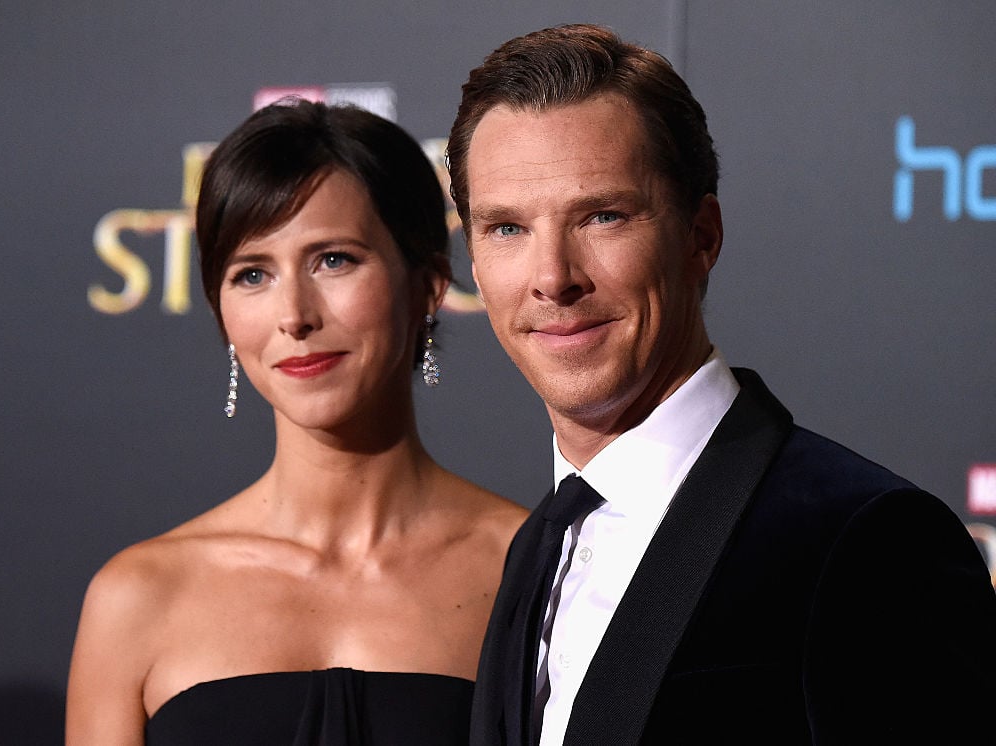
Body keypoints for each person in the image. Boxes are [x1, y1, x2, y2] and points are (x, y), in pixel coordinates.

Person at [447, 24, 996, 745]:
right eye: (508, 228)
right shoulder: (539, 545)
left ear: (700, 236)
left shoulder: (867, 541)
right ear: (476, 264)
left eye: (602, 216)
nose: (553, 278)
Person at [66, 99, 527, 745]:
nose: (293, 315)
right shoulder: (139, 595)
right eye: (252, 274)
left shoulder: (528, 571)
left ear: (427, 284)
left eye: (334, 259)